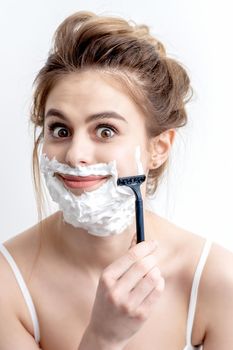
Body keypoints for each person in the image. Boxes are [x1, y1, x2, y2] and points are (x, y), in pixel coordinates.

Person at [0, 10, 232, 350]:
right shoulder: (8, 283)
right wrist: (103, 338)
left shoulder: (216, 280)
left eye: (105, 130)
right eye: (60, 130)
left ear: (158, 148)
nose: (75, 154)